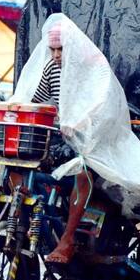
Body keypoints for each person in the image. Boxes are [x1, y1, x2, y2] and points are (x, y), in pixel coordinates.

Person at [28, 21, 94, 264]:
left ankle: (67, 239)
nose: (56, 55)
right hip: (61, 138)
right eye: (52, 50)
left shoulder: (87, 71)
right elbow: (35, 98)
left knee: (82, 176)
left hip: (89, 140)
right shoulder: (50, 68)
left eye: (61, 50)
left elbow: (98, 102)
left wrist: (79, 119)